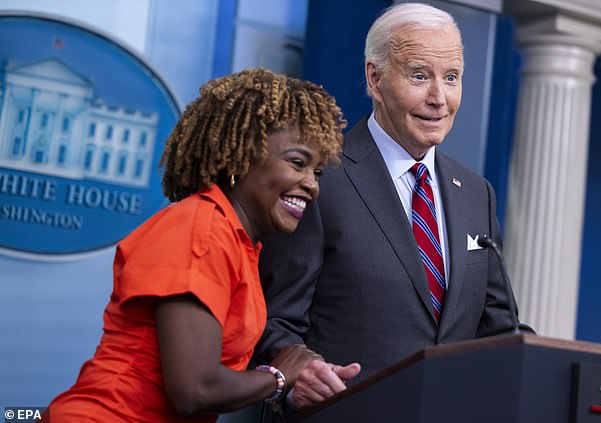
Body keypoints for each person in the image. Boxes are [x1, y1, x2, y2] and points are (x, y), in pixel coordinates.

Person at [253, 2, 529, 414]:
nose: (439, 98)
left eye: (451, 78)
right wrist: (296, 382)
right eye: (420, 76)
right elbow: (276, 319)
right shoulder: (320, 175)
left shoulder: (477, 193)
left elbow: (497, 331)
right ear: (375, 78)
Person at [42, 68, 356, 423]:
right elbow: (195, 390)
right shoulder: (200, 230)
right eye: (298, 163)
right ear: (241, 158)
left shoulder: (236, 241)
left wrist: (299, 377)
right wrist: (279, 377)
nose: (311, 185)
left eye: (316, 173)